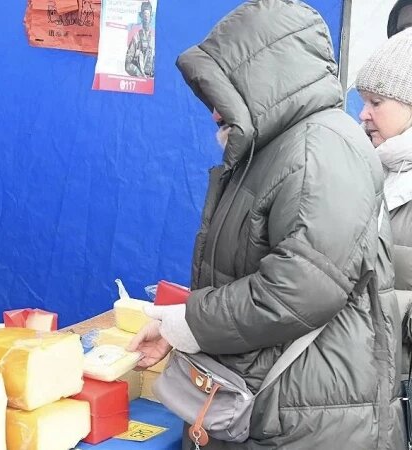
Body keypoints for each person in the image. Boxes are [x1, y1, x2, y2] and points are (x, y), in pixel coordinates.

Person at [127, 1, 403, 447]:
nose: (214, 112)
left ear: (262, 80)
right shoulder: (278, 147)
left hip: (306, 420)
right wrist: (179, 331)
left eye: (221, 93)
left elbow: (298, 288)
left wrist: (189, 322)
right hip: (278, 407)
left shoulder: (320, 150)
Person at [356, 29, 412, 380]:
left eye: (376, 102)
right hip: (364, 374)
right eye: (363, 101)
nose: (363, 115)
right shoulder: (363, 167)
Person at [124, 1, 154, 78]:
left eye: (148, 15)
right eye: (144, 15)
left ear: (151, 16)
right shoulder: (136, 38)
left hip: (153, 80)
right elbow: (127, 65)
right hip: (139, 80)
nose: (146, 18)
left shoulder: (155, 39)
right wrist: (139, 74)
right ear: (141, 16)